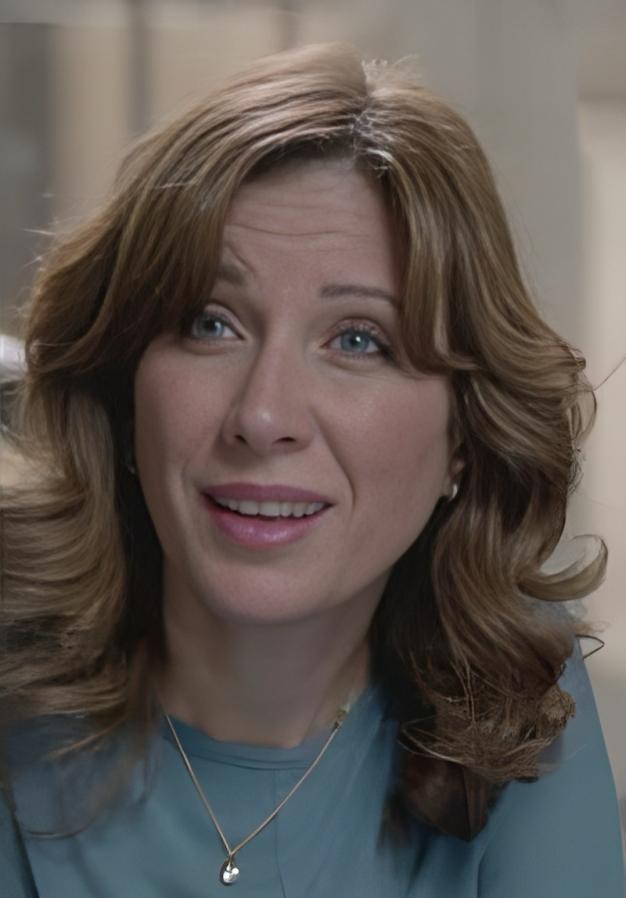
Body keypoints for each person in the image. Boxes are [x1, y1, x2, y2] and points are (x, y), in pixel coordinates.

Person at [0, 42, 624, 898]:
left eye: (358, 340)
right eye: (211, 323)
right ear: (123, 383)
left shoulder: (515, 692)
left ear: (464, 436)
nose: (263, 416)